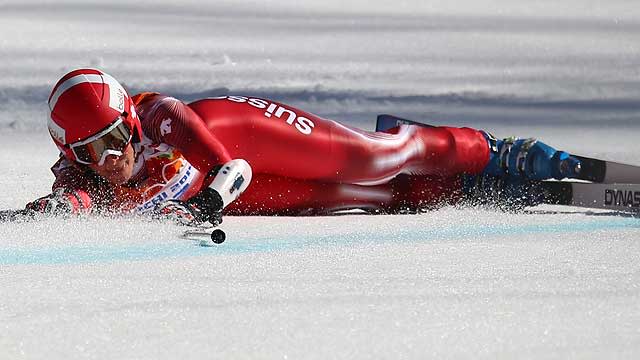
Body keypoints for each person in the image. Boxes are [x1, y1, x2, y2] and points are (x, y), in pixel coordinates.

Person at [26, 68, 581, 225]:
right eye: (91, 152)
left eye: (117, 138)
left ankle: (498, 152)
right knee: (360, 196)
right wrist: (44, 210)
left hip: (235, 139)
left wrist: (213, 194)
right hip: (216, 198)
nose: (112, 158)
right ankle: (457, 187)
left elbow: (229, 165)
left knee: (370, 159)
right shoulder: (85, 175)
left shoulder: (162, 118)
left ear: (130, 119)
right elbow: (73, 200)